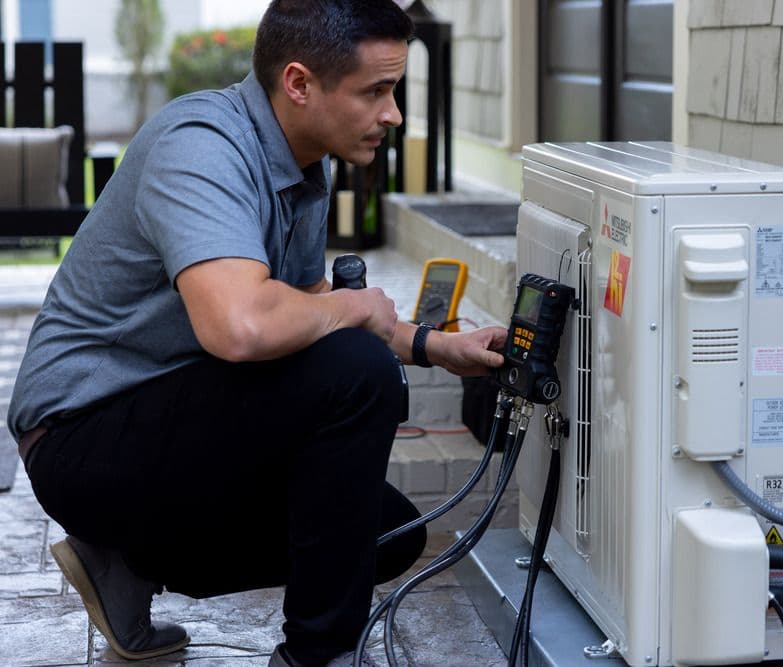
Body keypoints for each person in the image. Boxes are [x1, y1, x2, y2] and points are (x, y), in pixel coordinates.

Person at [5, 1, 507, 665]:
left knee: (387, 532)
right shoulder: (201, 144)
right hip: (79, 435)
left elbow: (301, 306)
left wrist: (431, 345)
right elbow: (242, 325)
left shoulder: (304, 164)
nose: (395, 115)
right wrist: (357, 316)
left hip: (169, 417)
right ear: (299, 83)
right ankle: (315, 656)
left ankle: (126, 560)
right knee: (357, 371)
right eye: (377, 91)